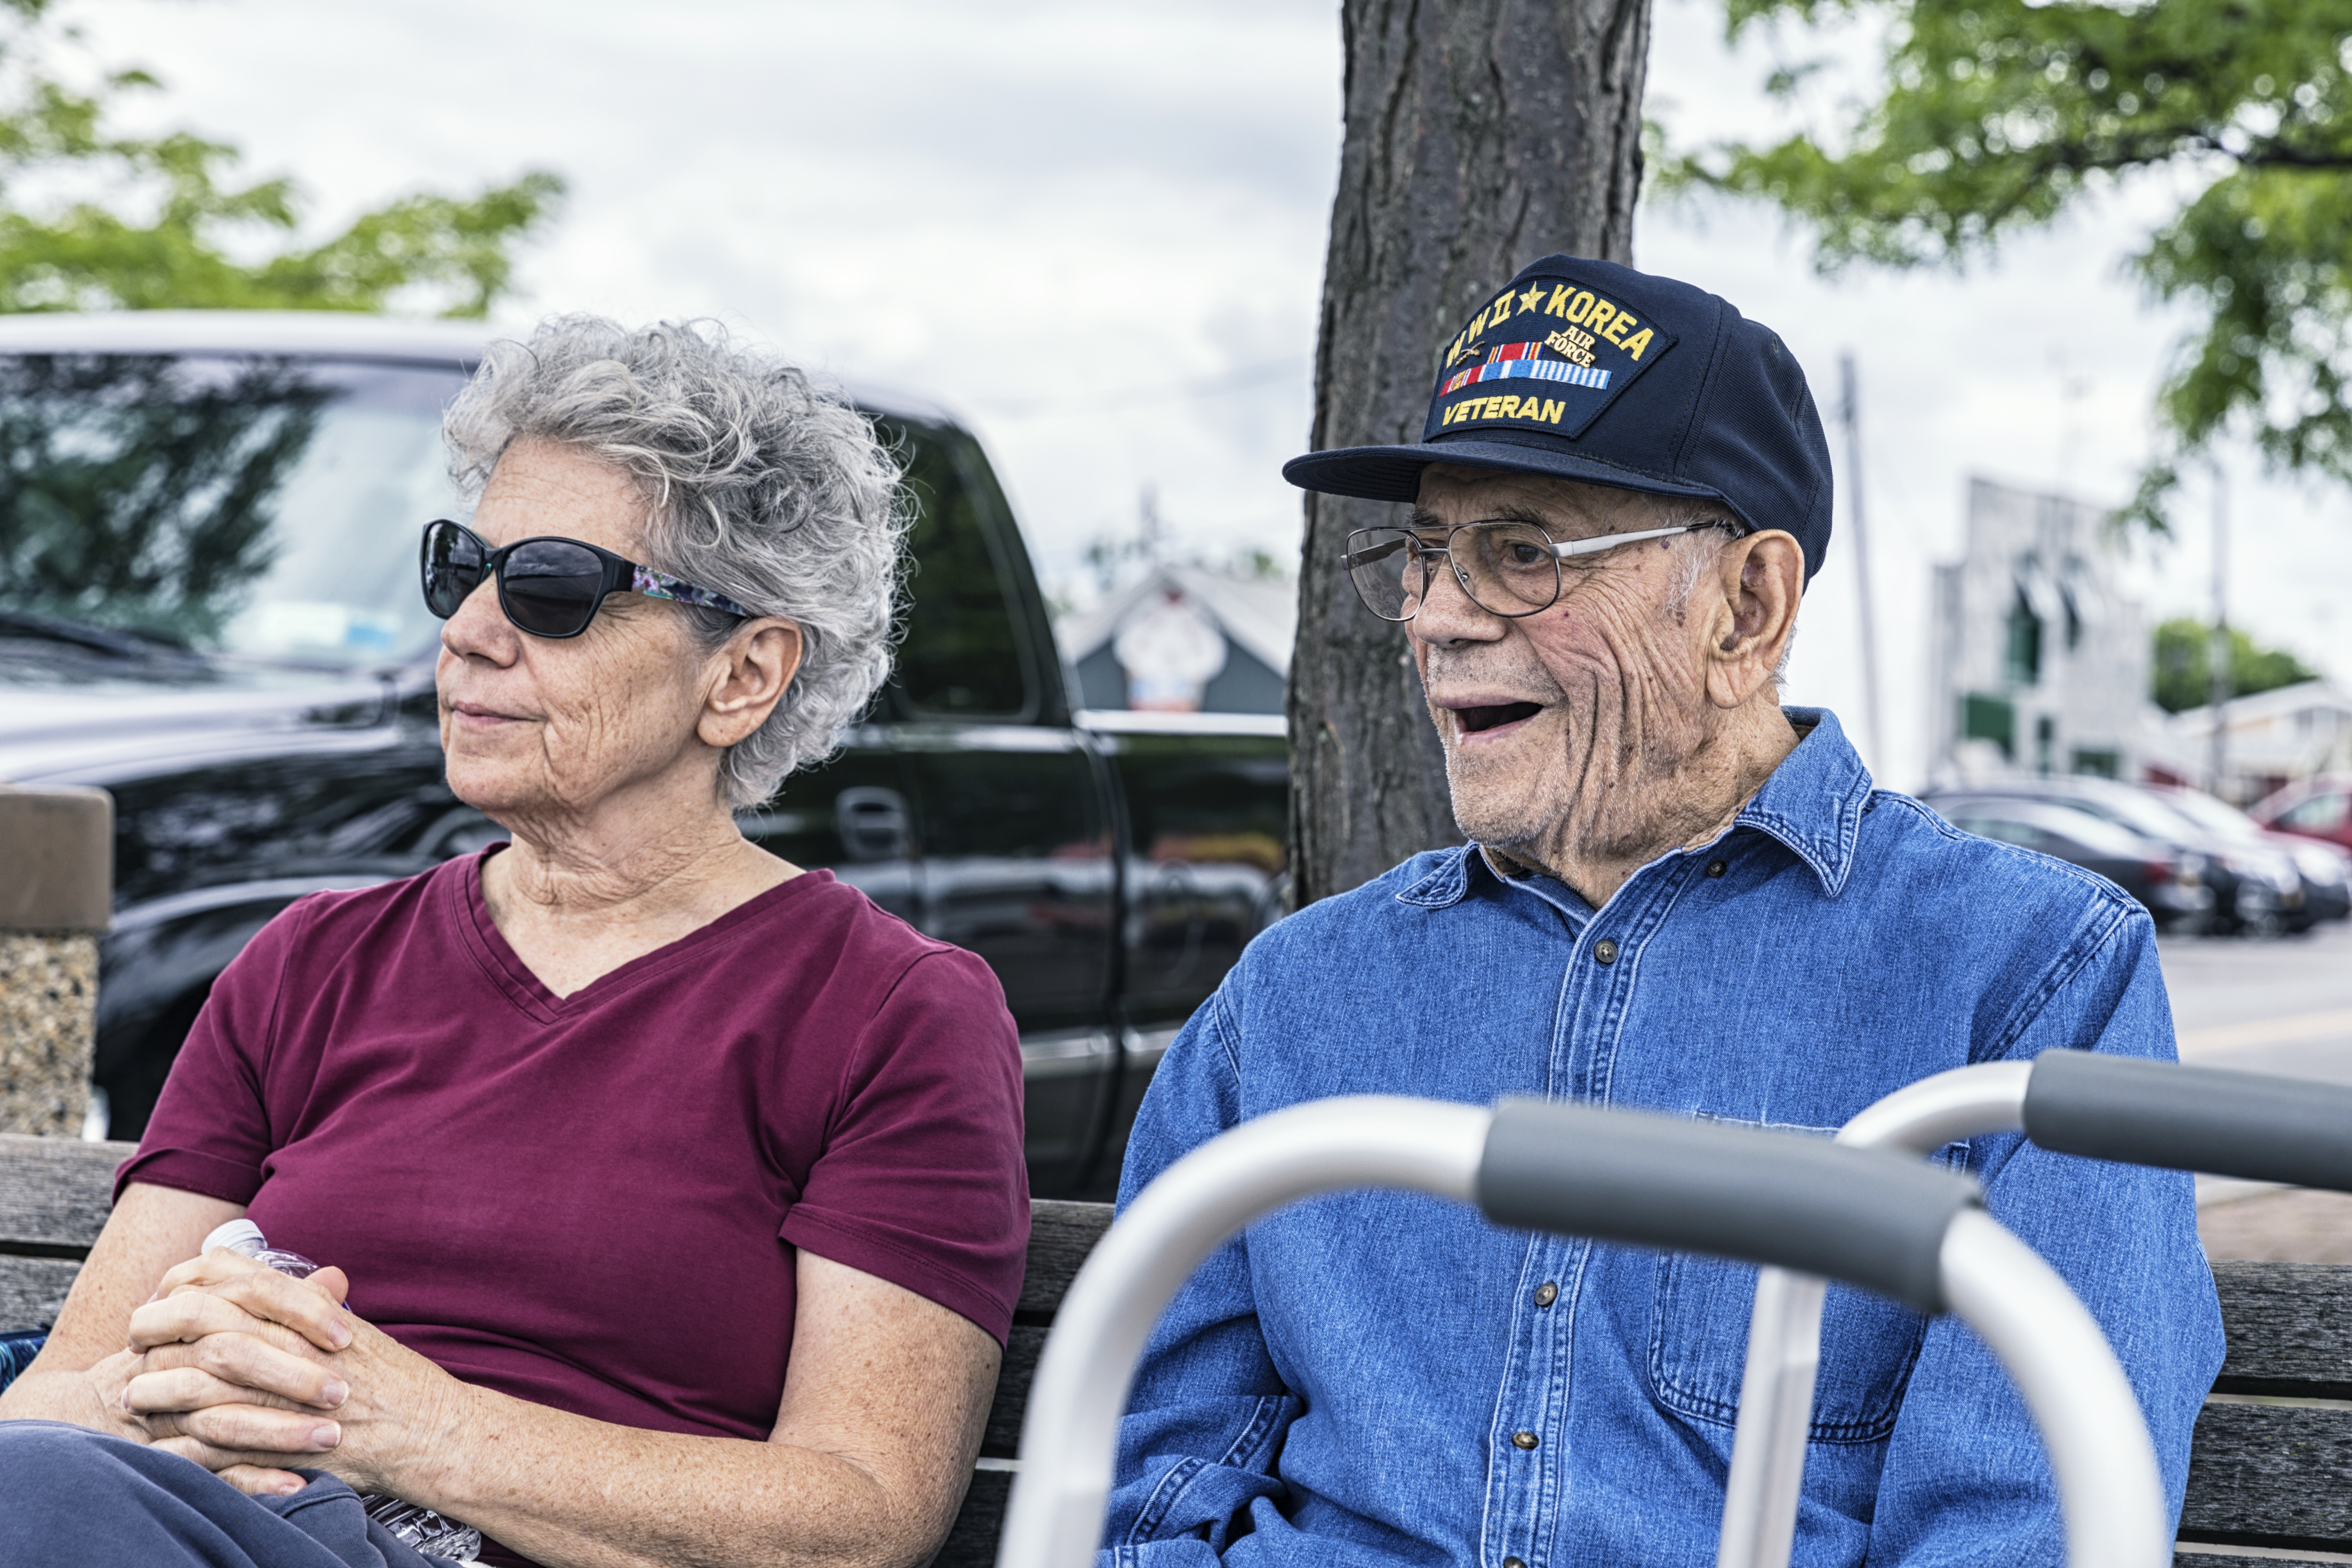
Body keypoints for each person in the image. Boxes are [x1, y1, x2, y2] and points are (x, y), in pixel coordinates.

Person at [1102, 256, 2223, 1566]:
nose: (1441, 620)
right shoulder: (1294, 999)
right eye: (1421, 556)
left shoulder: (2031, 976)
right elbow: (1146, 1485)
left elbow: (2032, 1529)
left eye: (1521, 554)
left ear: (1747, 607)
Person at [0, 318, 1029, 1568]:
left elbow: (863, 1513)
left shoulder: (884, 1013)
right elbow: (56, 1400)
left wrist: (397, 1423)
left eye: (552, 588)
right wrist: (185, 1390)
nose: (471, 628)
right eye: (460, 570)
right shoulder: (310, 966)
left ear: (745, 675)